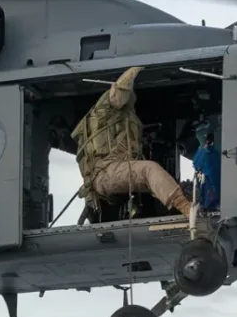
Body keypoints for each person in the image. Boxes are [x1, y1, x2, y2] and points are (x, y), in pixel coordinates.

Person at [71, 66, 193, 220]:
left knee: (154, 184)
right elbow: (119, 92)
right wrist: (137, 67)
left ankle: (177, 207)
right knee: (149, 169)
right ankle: (185, 207)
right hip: (105, 173)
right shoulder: (104, 112)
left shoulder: (121, 122)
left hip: (111, 172)